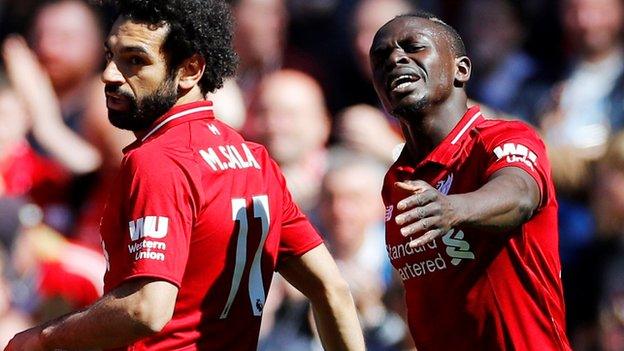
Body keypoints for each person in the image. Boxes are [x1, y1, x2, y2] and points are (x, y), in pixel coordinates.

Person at [4, 0, 364, 350]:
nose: (110, 75)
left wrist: (44, 338)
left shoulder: (158, 160)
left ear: (190, 70)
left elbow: (146, 309)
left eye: (135, 61)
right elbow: (332, 289)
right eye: (111, 56)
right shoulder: (255, 159)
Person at [369, 12, 571, 350]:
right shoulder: (397, 180)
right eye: (381, 57)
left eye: (413, 47)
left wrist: (453, 207)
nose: (394, 59)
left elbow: (520, 193)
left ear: (461, 69)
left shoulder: (503, 138)